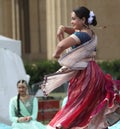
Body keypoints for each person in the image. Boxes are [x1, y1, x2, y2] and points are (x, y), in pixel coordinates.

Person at [41, 6, 120, 129]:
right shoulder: (89, 33)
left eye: (73, 19)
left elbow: (62, 44)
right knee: (88, 107)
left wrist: (56, 54)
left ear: (83, 20)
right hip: (93, 73)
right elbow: (74, 32)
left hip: (85, 75)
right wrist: (64, 29)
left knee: (77, 106)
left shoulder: (83, 36)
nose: (71, 22)